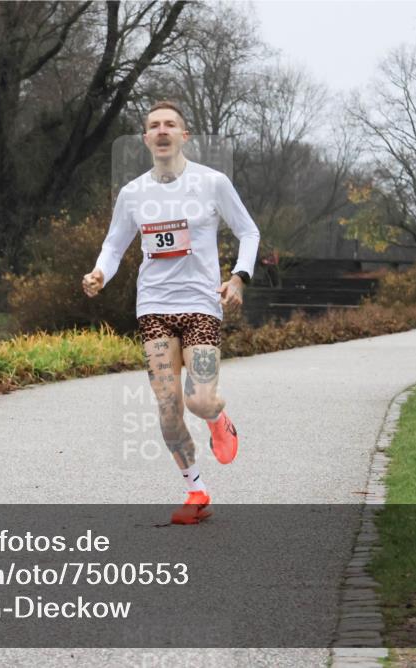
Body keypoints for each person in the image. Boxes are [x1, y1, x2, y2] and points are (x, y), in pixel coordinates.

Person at [82, 101, 260, 525]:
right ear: (145, 139)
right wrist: (99, 273)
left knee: (198, 399)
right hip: (154, 308)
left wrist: (238, 279)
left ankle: (218, 419)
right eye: (154, 126)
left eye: (171, 125)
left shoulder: (212, 183)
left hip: (200, 304)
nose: (162, 131)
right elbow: (114, 243)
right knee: (167, 407)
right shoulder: (133, 193)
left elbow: (248, 231)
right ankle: (196, 489)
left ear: (185, 135)